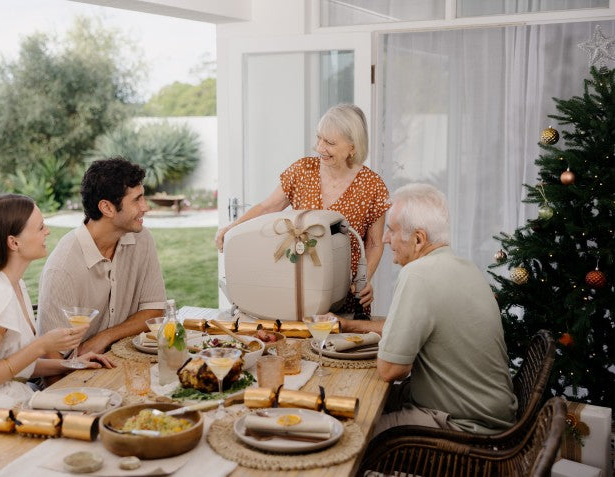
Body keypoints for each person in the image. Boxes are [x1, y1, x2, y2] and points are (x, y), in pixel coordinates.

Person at [347, 183, 517, 435]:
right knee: (357, 403)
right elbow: (419, 330)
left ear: (418, 239)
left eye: (391, 230)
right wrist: (350, 326)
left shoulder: (417, 275)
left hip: (463, 426)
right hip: (489, 413)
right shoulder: (465, 267)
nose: (384, 238)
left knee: (350, 431)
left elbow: (390, 369)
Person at [0, 194, 114, 442]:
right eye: (40, 227)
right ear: (14, 242)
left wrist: (70, 364)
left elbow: (11, 363)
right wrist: (42, 345)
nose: (47, 232)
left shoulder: (15, 285)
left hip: (9, 401)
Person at [215, 103, 389, 314]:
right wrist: (232, 228)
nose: (319, 147)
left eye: (330, 142)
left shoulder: (372, 186)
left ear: (352, 147)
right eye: (319, 138)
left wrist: (362, 281)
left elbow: (373, 244)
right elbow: (268, 206)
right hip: (300, 287)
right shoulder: (303, 170)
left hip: (345, 295)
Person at [38, 158, 165, 357]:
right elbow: (52, 361)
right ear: (107, 208)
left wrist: (105, 337)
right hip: (71, 378)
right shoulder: (62, 268)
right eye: (137, 199)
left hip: (122, 362)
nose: (145, 207)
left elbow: (154, 311)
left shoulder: (142, 239)